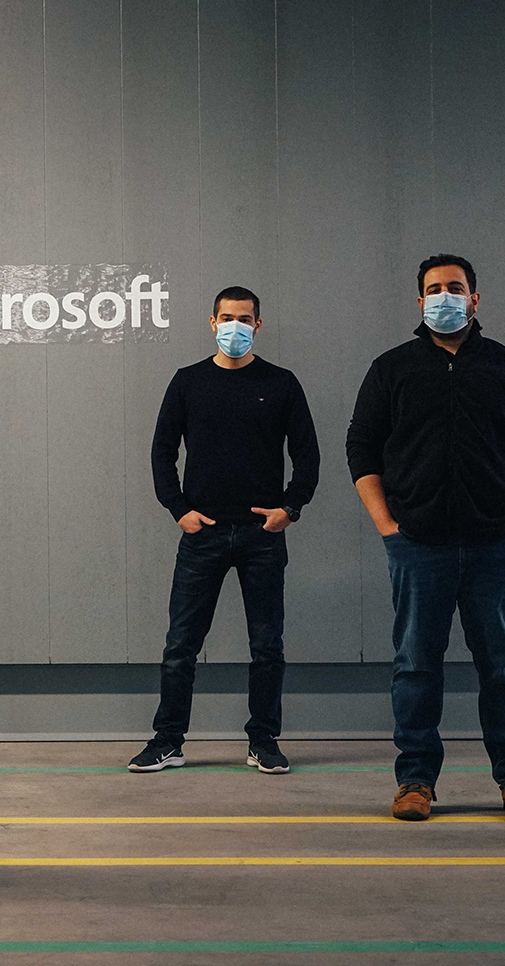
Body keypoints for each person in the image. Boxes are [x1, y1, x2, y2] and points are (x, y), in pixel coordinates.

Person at [345, 254, 505, 823]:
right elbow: (361, 449)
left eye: (455, 288)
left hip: (495, 545)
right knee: (416, 664)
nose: (445, 296)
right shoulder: (391, 369)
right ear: (419, 302)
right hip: (417, 545)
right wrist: (387, 526)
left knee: (504, 666)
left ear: (475, 299)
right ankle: (415, 780)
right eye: (434, 289)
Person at [130, 286, 320, 775]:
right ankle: (168, 741)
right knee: (180, 645)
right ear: (212, 323)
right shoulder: (187, 382)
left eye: (245, 319)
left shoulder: (281, 383)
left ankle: (263, 741)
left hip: (262, 534)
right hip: (203, 533)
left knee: (267, 645)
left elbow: (308, 455)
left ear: (258, 325)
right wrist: (178, 510)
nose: (236, 326)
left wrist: (289, 509)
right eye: (227, 318)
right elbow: (161, 452)